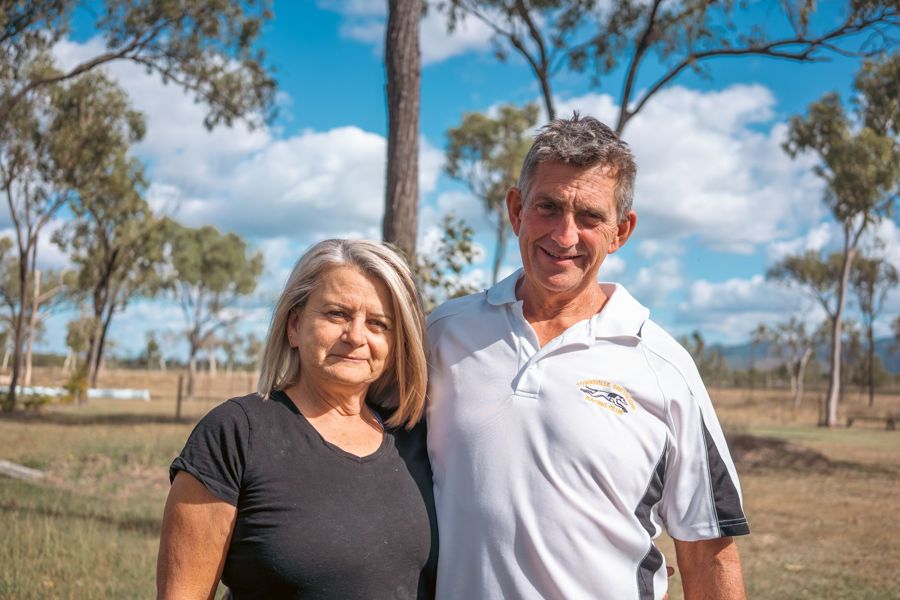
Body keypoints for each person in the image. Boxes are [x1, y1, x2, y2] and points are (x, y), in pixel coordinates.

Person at [426, 114, 749, 600]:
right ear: (516, 210)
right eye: (548, 207)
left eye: (590, 217)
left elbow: (708, 552)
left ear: (621, 231)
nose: (564, 235)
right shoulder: (443, 335)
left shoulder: (663, 367)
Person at [157, 239, 438, 599]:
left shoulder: (417, 439)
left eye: (378, 323)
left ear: (397, 344)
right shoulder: (235, 433)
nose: (356, 336)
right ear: (294, 325)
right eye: (337, 314)